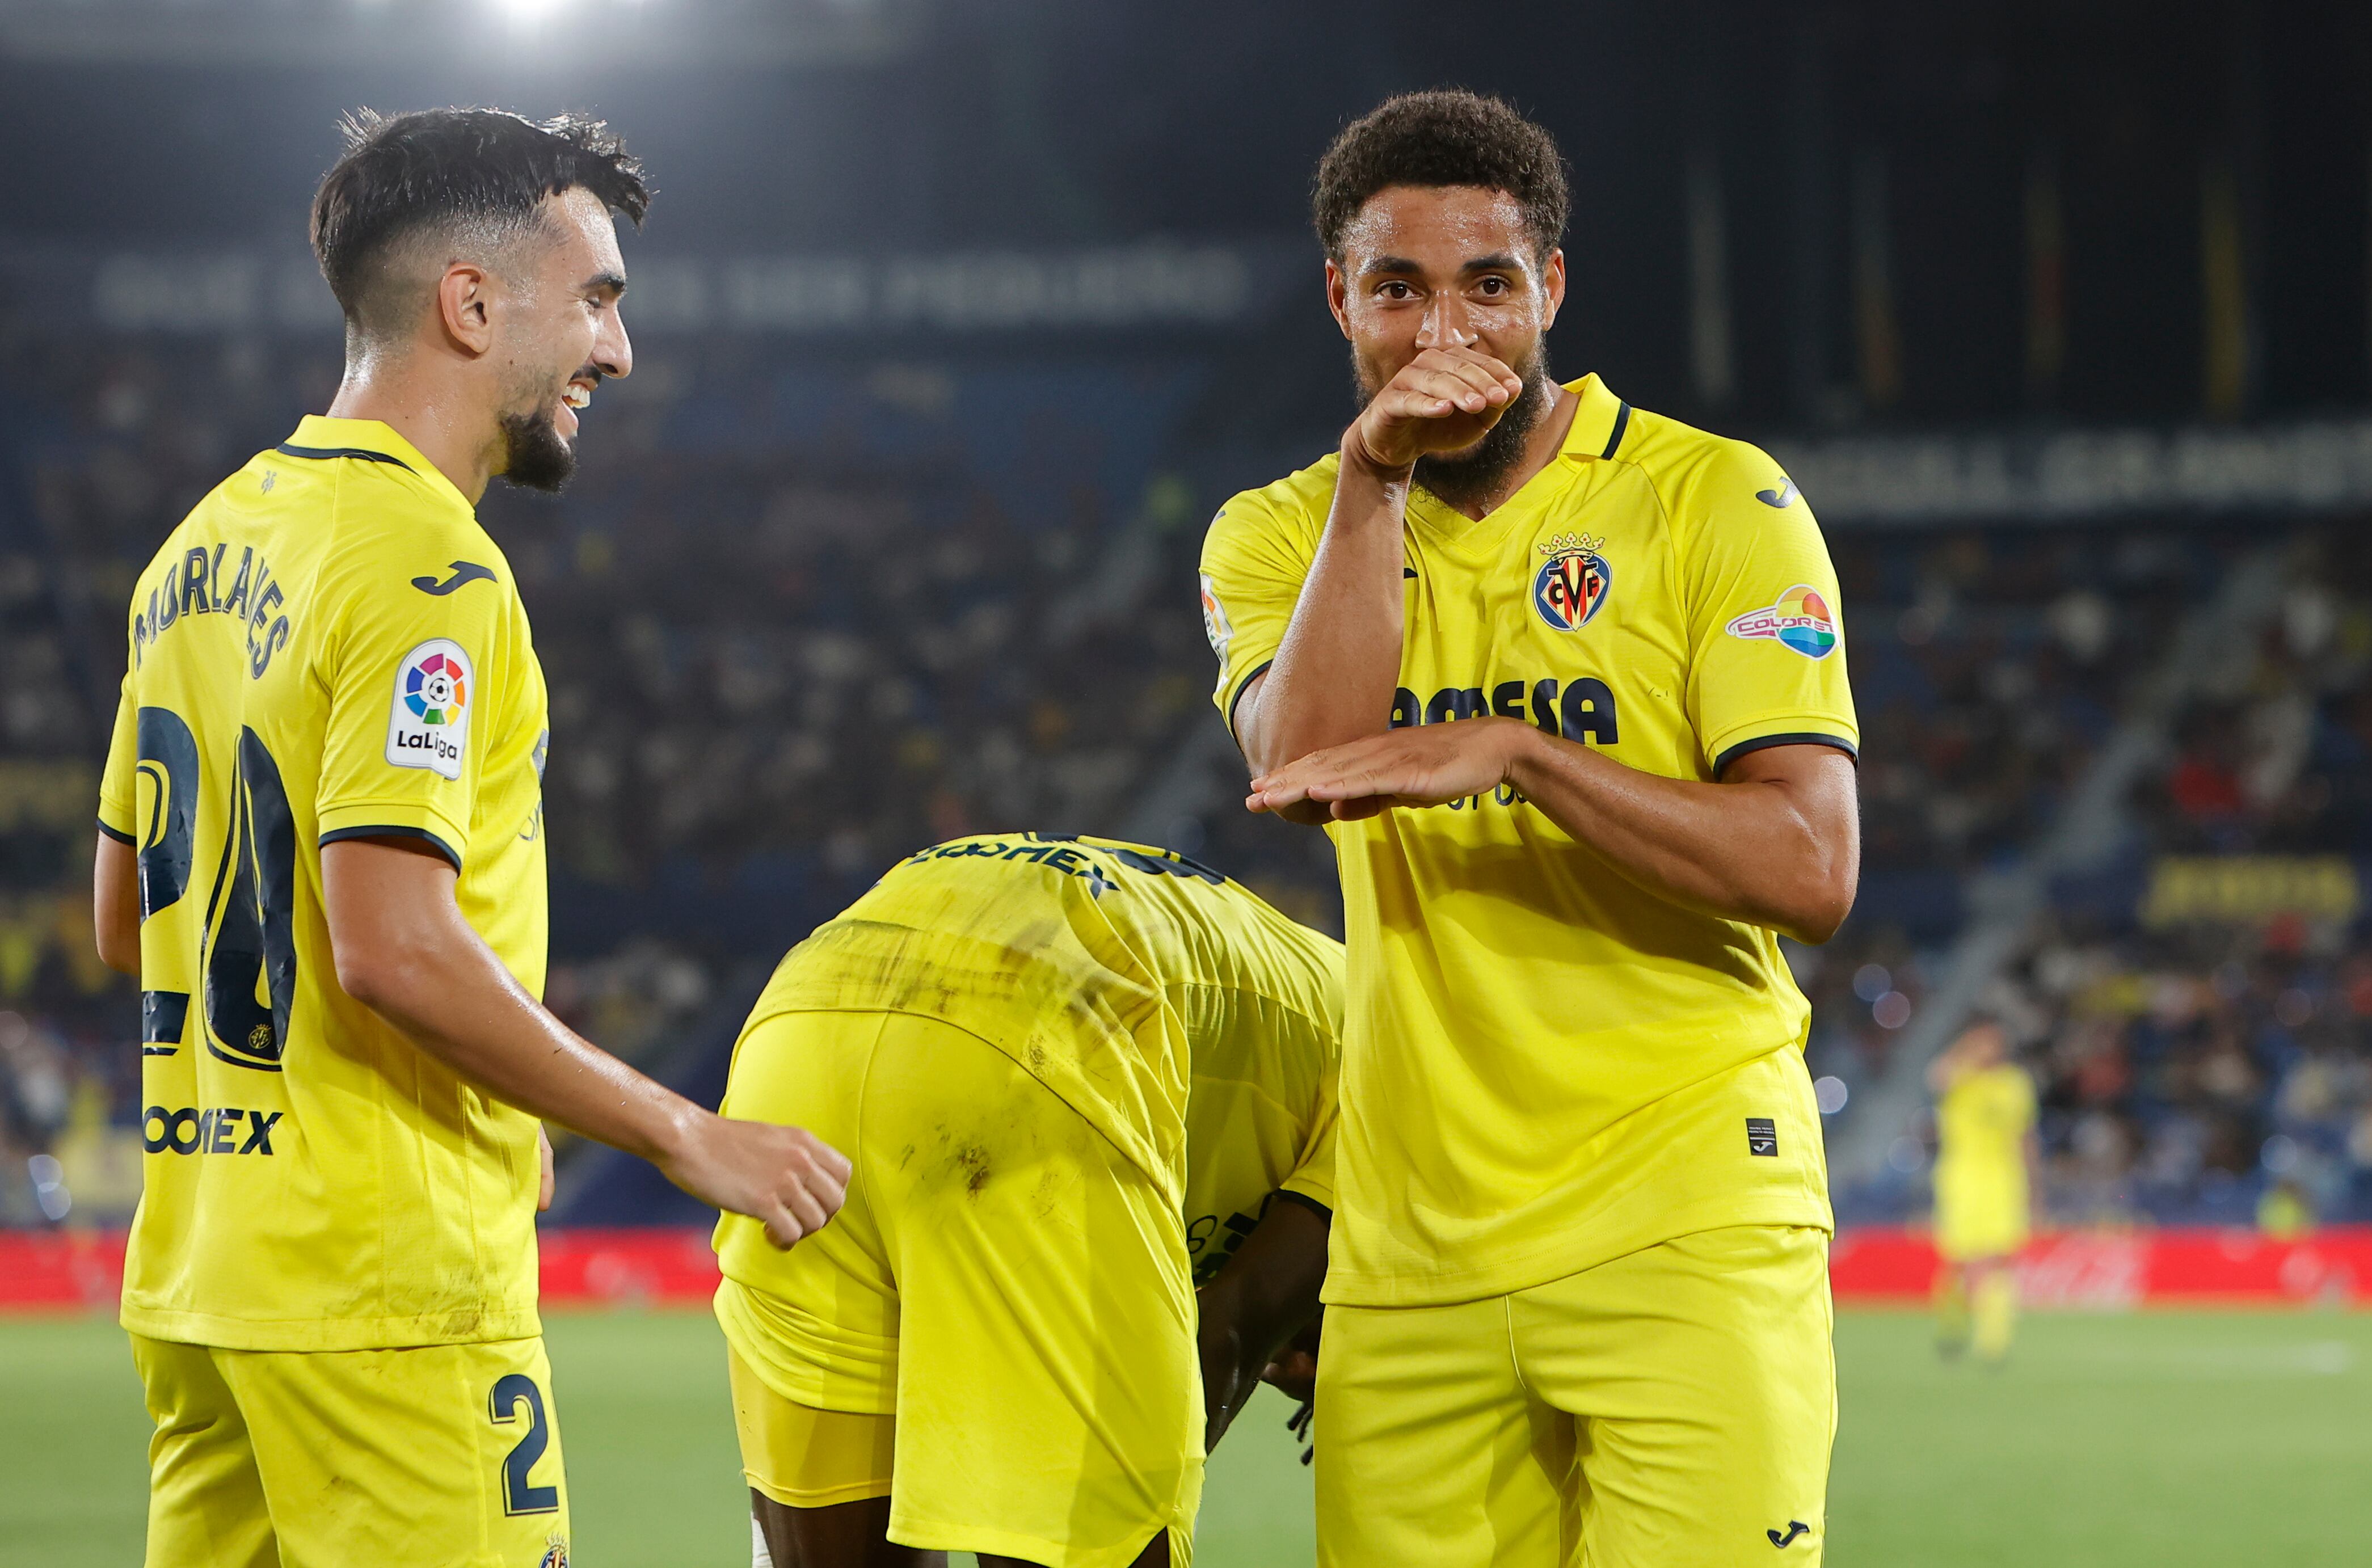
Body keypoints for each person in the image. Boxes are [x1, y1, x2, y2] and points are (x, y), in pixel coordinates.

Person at [91, 108, 849, 1568]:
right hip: (389, 1294)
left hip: (203, 1279)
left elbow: (132, 919)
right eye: (599, 299)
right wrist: (683, 1131)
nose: (616, 352)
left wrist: (487, 1094)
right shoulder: (433, 571)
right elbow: (391, 945)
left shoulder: (202, 543)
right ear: (471, 301)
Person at [1198, 91, 1861, 1565]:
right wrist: (1370, 481)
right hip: (1409, 1253)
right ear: (1338, 302)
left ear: (1551, 287)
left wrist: (1516, 757)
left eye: (1488, 284)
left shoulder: (1712, 499)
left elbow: (1808, 868)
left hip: (1683, 1213)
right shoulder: (1275, 531)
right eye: (1398, 288)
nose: (1448, 330)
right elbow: (1300, 766)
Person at [710, 833, 1342, 1568]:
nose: (1295, 1375)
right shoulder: (1406, 1065)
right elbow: (1236, 1326)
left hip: (800, 1020)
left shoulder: (1288, 1009)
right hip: (1037, 1031)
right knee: (1079, 1535)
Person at [1927, 1019, 2040, 1364]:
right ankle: (1953, 1322)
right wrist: (1966, 1051)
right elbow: (1936, 1078)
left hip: (2004, 1179)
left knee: (1998, 1257)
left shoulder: (2014, 1083)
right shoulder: (1959, 1075)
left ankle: (1994, 1342)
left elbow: (2025, 1135)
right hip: (1961, 1177)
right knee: (1963, 1261)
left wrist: (2035, 1186)